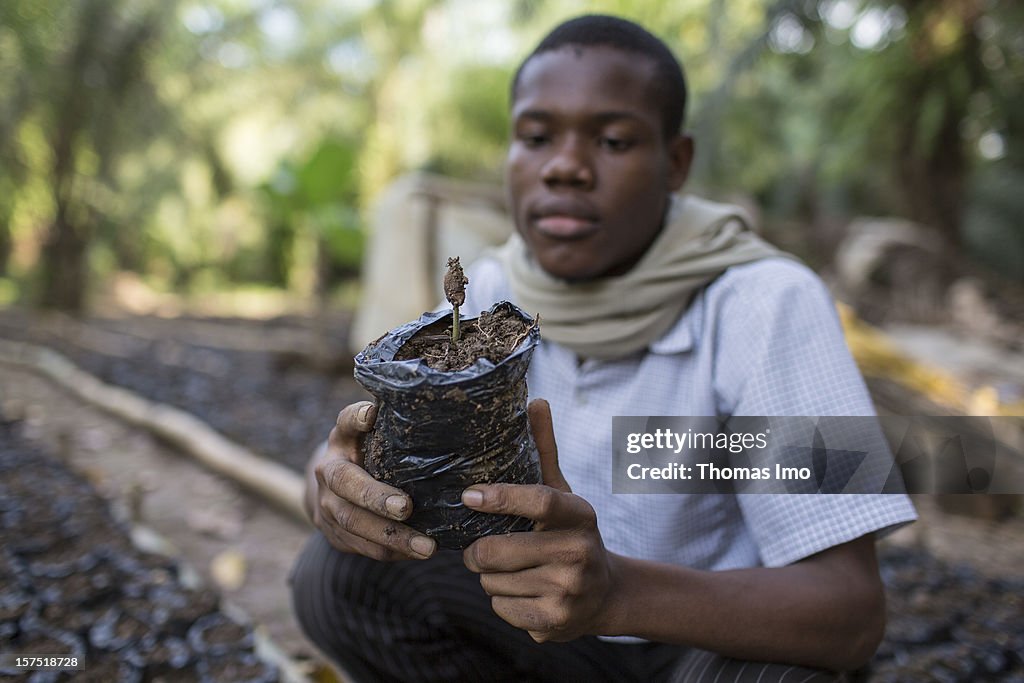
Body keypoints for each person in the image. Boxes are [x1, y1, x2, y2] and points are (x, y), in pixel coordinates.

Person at [290, 14, 916, 683]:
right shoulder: (492, 292)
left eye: (613, 139)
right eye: (535, 136)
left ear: (675, 163)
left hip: (699, 642)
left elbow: (851, 609)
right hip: (545, 635)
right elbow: (390, 476)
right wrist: (332, 488)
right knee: (338, 579)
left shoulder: (764, 303)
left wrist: (617, 594)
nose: (564, 167)